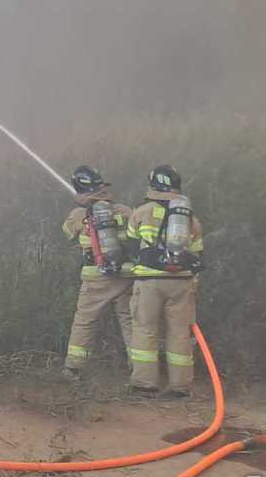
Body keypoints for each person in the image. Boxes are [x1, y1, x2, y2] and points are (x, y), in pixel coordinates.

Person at [127, 164, 203, 396]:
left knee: (145, 330)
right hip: (181, 282)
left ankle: (144, 384)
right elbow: (198, 255)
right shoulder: (190, 219)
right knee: (179, 333)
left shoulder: (140, 212)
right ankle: (180, 387)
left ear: (152, 186)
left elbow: (130, 247)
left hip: (149, 282)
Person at [60, 165, 134, 381]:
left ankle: (73, 368)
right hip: (126, 275)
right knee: (129, 320)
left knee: (85, 320)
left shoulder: (78, 215)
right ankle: (139, 368)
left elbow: (67, 233)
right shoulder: (125, 211)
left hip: (96, 276)